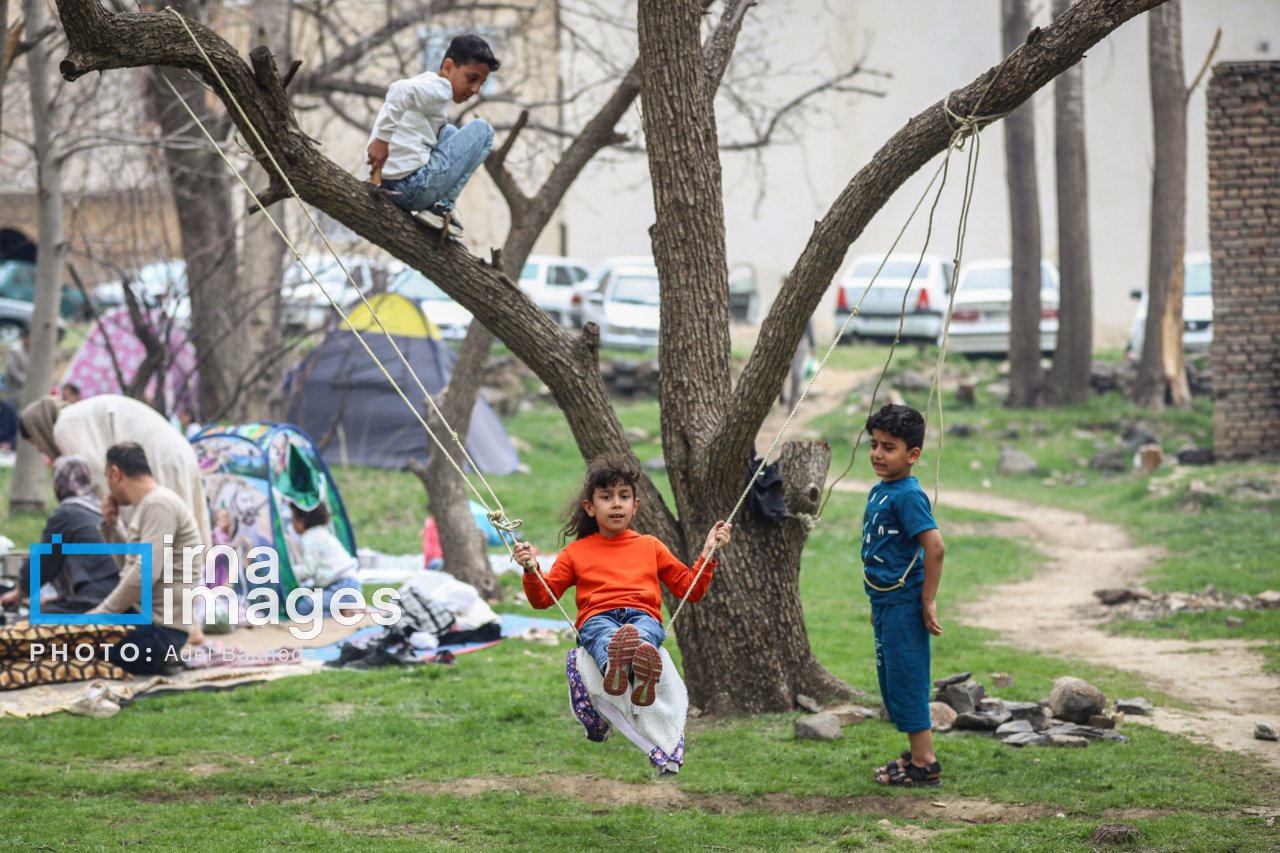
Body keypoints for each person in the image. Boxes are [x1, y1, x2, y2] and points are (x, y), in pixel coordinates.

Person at [512, 456, 731, 707]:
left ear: (635, 505)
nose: (616, 504)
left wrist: (707, 553)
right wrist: (531, 569)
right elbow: (542, 599)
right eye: (606, 497)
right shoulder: (576, 552)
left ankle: (641, 672)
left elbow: (688, 589)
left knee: (644, 635)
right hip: (597, 617)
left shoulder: (650, 546)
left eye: (624, 496)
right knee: (603, 634)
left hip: (642, 616)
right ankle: (614, 667)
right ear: (590, 507)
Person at [861, 404, 947, 788]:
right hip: (884, 602)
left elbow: (936, 547)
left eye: (889, 447)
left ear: (913, 455)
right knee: (891, 676)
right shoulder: (882, 490)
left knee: (908, 677)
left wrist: (926, 599)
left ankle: (925, 763)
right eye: (874, 444)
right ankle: (915, 754)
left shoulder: (909, 497)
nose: (878, 453)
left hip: (904, 603)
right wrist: (875, 602)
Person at [18, 395, 212, 549]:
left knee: (166, 539)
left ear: (39, 430)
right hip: (179, 451)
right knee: (183, 533)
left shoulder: (64, 426)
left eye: (35, 442)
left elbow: (97, 477)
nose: (39, 449)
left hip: (159, 456)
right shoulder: (78, 414)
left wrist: (111, 520)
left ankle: (173, 595)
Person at [365, 34, 500, 237]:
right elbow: (399, 91)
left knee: (450, 134)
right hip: (411, 186)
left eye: (481, 83)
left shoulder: (427, 83)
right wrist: (381, 141)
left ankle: (438, 207)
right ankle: (443, 206)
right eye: (472, 78)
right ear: (448, 68)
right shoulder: (441, 89)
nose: (475, 89)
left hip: (389, 184)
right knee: (484, 132)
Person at [87, 443, 203, 673]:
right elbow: (132, 569)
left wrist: (100, 615)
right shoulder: (151, 504)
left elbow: (144, 574)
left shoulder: (159, 504)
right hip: (152, 626)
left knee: (72, 646)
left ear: (116, 473)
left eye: (107, 478)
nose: (108, 486)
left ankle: (160, 658)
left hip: (160, 632)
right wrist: (111, 526)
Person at [0, 455, 120, 614]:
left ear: (58, 483)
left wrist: (19, 593)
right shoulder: (97, 508)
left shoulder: (68, 515)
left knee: (15, 633)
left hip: (93, 601)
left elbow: (44, 560)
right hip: (116, 596)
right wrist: (50, 600)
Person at [287, 500, 362, 618]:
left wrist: (288, 572)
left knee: (302, 606)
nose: (291, 524)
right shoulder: (322, 533)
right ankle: (347, 608)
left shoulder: (310, 538)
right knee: (308, 594)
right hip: (350, 586)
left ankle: (345, 611)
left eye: (293, 519)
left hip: (342, 588)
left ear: (302, 521)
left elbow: (308, 570)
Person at [4, 331, 27, 404]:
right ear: (25, 337)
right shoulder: (14, 350)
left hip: (25, 389)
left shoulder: (28, 349)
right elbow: (11, 369)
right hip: (15, 389)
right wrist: (25, 380)